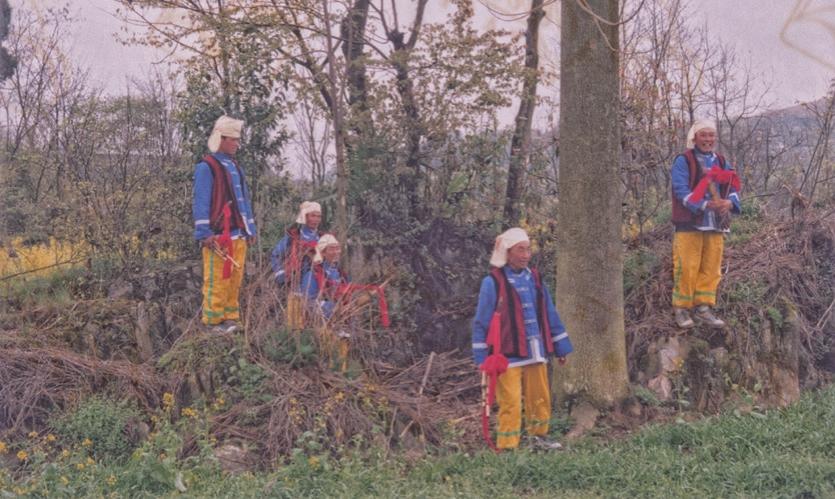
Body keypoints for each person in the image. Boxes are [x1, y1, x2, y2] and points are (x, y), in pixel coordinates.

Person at [472, 228, 573, 450]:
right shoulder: (493, 282)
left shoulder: (535, 279)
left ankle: (539, 438)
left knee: (540, 397)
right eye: (521, 250)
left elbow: (549, 312)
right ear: (508, 252)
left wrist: (561, 348)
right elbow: (481, 321)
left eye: (528, 250)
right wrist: (481, 358)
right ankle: (508, 445)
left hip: (536, 351)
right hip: (507, 355)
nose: (526, 255)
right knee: (510, 401)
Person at [670, 119, 741, 329]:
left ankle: (703, 308)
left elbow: (733, 186)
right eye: (704, 135)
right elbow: (680, 190)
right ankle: (682, 308)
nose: (708, 139)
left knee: (711, 267)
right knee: (686, 266)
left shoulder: (721, 161)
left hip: (716, 224)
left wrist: (730, 203)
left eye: (711, 135)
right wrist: (704, 204)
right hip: (690, 223)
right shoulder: (684, 160)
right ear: (695, 138)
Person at [192, 116, 257, 333]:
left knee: (234, 279)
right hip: (218, 235)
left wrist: (250, 229)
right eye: (233, 139)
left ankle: (230, 318)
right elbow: (201, 202)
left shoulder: (236, 167)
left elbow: (244, 201)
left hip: (239, 234)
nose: (237, 144)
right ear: (221, 139)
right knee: (216, 279)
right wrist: (204, 233)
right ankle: (213, 322)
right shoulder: (206, 167)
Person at [270, 201, 323, 286]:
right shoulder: (294, 236)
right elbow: (276, 254)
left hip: (317, 280)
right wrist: (280, 271)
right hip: (294, 279)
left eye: (318, 216)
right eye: (313, 216)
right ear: (305, 217)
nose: (316, 219)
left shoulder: (322, 237)